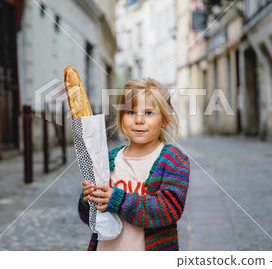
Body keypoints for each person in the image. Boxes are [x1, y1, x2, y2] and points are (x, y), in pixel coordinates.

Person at [77, 78, 190, 251]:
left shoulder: (173, 160)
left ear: (164, 120)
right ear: (121, 117)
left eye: (149, 113)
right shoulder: (108, 159)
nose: (138, 120)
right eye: (130, 112)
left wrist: (118, 200)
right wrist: (89, 201)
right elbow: (90, 218)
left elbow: (168, 209)